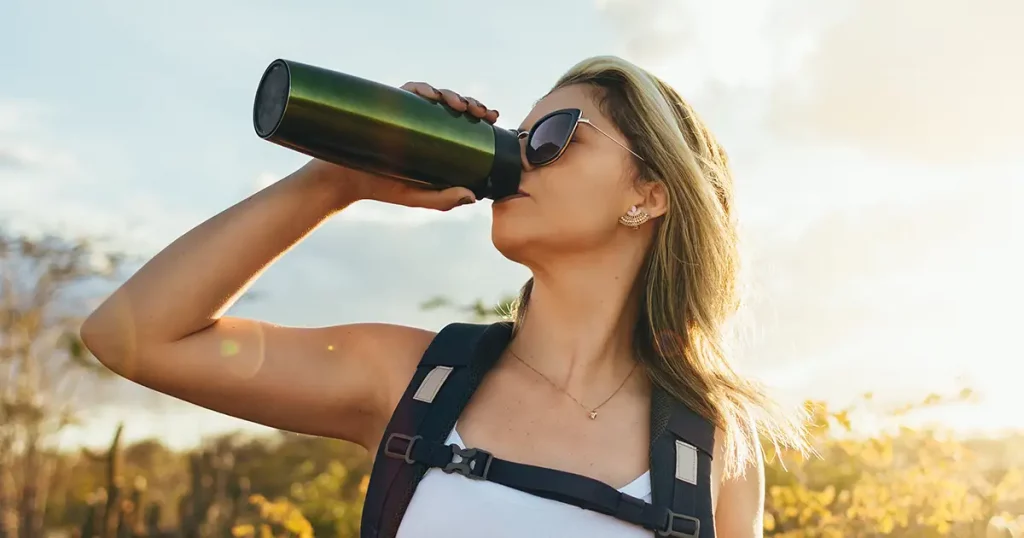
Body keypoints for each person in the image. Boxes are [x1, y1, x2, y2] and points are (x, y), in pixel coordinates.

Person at [81, 55, 807, 537]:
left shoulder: (713, 447)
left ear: (649, 195)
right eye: (515, 135)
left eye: (553, 137)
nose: (517, 153)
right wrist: (338, 181)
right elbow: (131, 336)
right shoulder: (412, 380)